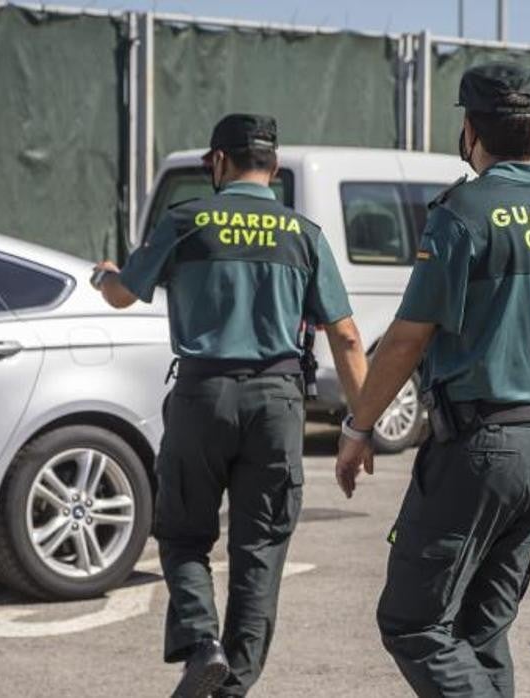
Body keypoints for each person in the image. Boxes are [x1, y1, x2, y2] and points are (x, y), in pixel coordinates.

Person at [334, 63, 530, 697]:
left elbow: (407, 339)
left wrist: (359, 424)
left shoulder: (463, 213)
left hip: (478, 449)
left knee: (413, 622)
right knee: (480, 628)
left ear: (471, 130)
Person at [94, 113, 369, 698]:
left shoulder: (186, 221)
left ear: (218, 162)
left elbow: (122, 295)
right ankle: (232, 685)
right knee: (261, 549)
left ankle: (202, 643)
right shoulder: (304, 235)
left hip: (202, 397)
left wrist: (106, 276)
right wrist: (359, 427)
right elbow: (345, 337)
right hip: (277, 402)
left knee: (184, 534)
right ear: (271, 164)